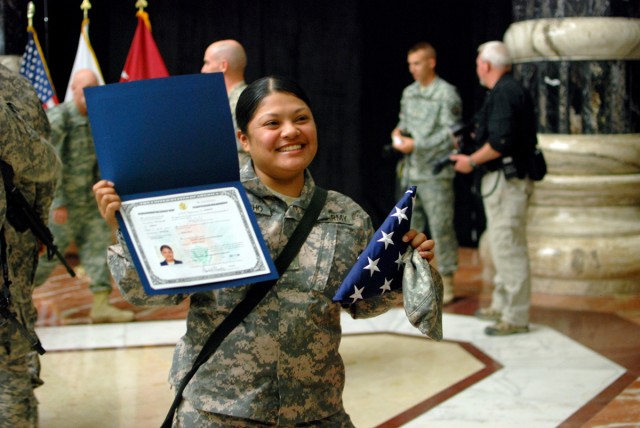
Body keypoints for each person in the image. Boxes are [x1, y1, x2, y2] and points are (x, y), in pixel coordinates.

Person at [94, 75, 439, 427]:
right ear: (244, 139)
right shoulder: (211, 206)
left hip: (316, 411)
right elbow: (149, 295)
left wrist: (406, 269)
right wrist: (125, 233)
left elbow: (361, 303)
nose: (291, 131)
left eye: (301, 118)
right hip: (221, 412)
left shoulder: (346, 215)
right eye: (272, 123)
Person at [34, 69, 134, 324]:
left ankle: (100, 305)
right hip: (63, 206)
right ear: (74, 90)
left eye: (95, 86)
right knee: (48, 257)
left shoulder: (97, 119)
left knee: (99, 250)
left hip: (89, 204)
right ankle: (17, 300)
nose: (91, 93)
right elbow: (50, 163)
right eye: (86, 87)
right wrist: (58, 202)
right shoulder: (59, 119)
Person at [451, 41, 536, 336]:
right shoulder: (503, 92)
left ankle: (515, 315)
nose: (477, 68)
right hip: (503, 182)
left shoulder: (506, 93)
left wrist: (470, 161)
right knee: (502, 245)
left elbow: (500, 142)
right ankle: (501, 305)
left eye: (478, 63)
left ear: (486, 65)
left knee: (508, 246)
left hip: (507, 183)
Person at [0, 64, 61, 427]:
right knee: (10, 358)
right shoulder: (14, 86)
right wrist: (38, 222)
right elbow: (42, 163)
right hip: (10, 246)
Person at [391, 42, 462, 305]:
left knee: (441, 228)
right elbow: (404, 123)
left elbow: (452, 136)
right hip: (411, 172)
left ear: (431, 63)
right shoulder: (409, 93)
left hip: (435, 175)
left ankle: (450, 280)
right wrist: (397, 134)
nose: (412, 69)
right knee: (411, 231)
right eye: (410, 64)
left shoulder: (446, 94)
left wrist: (418, 145)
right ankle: (415, 281)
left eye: (417, 63)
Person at [201, 39, 249, 166]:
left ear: (223, 66)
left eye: (207, 63)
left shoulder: (242, 101)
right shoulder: (241, 98)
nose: (203, 70)